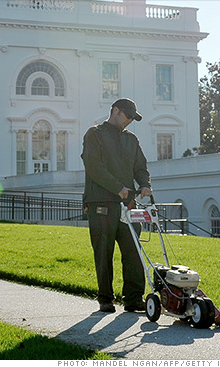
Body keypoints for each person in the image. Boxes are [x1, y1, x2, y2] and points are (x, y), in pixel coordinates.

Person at [81, 98, 153, 313]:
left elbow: (140, 166)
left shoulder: (131, 140)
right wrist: (117, 188)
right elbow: (94, 166)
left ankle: (133, 299)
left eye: (133, 117)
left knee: (133, 251)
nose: (130, 120)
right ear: (115, 111)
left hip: (128, 204)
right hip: (101, 203)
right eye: (127, 116)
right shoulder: (94, 134)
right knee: (104, 252)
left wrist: (145, 184)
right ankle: (105, 298)